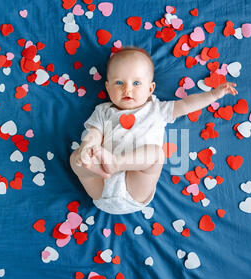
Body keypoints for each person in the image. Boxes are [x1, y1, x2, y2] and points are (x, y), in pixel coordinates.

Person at [70, 47, 238, 214]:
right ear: (107, 87)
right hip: (101, 188)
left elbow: (186, 105)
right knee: (75, 157)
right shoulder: (103, 111)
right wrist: (86, 148)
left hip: (135, 189)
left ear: (150, 89)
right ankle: (98, 163)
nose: (127, 89)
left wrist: (213, 95)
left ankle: (116, 162)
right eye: (119, 82)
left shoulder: (157, 109)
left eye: (136, 83)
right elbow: (94, 133)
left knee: (156, 154)